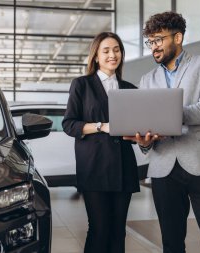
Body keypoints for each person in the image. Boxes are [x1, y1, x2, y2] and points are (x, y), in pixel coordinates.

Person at [124, 12, 200, 253]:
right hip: (163, 168)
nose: (154, 47)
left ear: (178, 37)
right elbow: (146, 126)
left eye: (158, 40)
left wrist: (168, 115)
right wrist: (143, 142)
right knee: (171, 242)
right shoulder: (147, 79)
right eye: (150, 42)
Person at [62, 32, 140, 253]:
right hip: (94, 167)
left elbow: (135, 128)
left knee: (118, 231)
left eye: (116, 50)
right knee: (99, 228)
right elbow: (69, 124)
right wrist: (101, 126)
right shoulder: (82, 85)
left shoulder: (130, 89)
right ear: (96, 56)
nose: (112, 55)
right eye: (106, 51)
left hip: (123, 168)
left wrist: (138, 135)